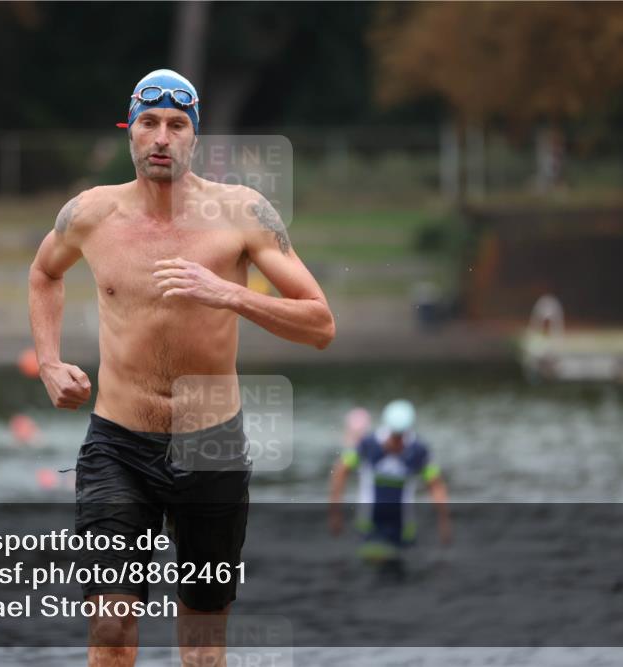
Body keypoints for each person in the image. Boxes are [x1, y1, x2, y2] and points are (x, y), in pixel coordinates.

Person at [27, 68, 335, 667]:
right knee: (111, 629)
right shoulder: (90, 214)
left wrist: (231, 294)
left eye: (176, 125)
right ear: (131, 133)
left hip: (211, 447)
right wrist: (48, 362)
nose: (162, 137)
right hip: (118, 444)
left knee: (201, 644)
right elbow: (45, 273)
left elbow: (320, 323)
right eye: (149, 124)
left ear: (195, 138)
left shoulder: (243, 213)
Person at [329, 400, 450, 575]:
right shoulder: (368, 445)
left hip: (403, 526)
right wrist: (335, 511)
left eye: (401, 435)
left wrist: (444, 521)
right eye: (394, 435)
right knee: (374, 570)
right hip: (370, 524)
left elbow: (436, 485)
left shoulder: (418, 450)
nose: (397, 440)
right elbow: (341, 471)